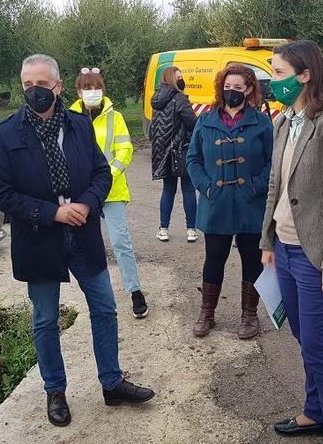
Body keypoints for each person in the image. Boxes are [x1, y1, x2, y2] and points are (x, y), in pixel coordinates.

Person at [0, 54, 155, 428]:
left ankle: (112, 384)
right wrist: (52, 212)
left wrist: (87, 203)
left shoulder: (80, 126)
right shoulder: (6, 134)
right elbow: (1, 194)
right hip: (38, 239)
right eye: (27, 85)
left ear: (58, 86)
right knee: (46, 319)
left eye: (42, 85)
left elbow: (101, 173)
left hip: (83, 235)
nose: (35, 92)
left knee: (106, 309)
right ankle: (55, 391)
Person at [259, 40, 323, 443]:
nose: (273, 81)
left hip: (319, 255)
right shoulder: (284, 121)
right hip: (285, 250)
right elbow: (275, 185)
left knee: (320, 349)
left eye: (280, 73)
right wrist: (268, 240)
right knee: (305, 340)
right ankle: (313, 412)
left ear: (305, 75)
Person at [187, 64, 273, 339]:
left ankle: (250, 315)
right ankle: (207, 313)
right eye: (227, 86)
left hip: (251, 203)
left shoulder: (262, 122)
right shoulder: (205, 120)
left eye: (238, 87)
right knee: (214, 258)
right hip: (217, 202)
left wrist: (255, 186)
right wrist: (207, 187)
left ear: (249, 90)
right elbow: (193, 159)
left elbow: (273, 162)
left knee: (252, 259)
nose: (231, 92)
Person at [69, 67, 148, 319]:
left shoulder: (116, 117)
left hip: (111, 191)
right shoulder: (68, 118)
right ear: (78, 91)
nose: (92, 92)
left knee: (120, 242)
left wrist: (105, 176)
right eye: (86, 88)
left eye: (95, 87)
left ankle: (135, 291)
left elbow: (124, 150)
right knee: (85, 245)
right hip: (83, 193)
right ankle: (97, 295)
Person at [149, 66, 198, 243]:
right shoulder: (180, 99)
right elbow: (192, 122)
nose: (182, 79)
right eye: (179, 76)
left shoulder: (156, 100)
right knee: (188, 189)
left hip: (164, 153)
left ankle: (163, 229)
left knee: (168, 190)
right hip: (182, 150)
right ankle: (191, 230)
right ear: (171, 79)